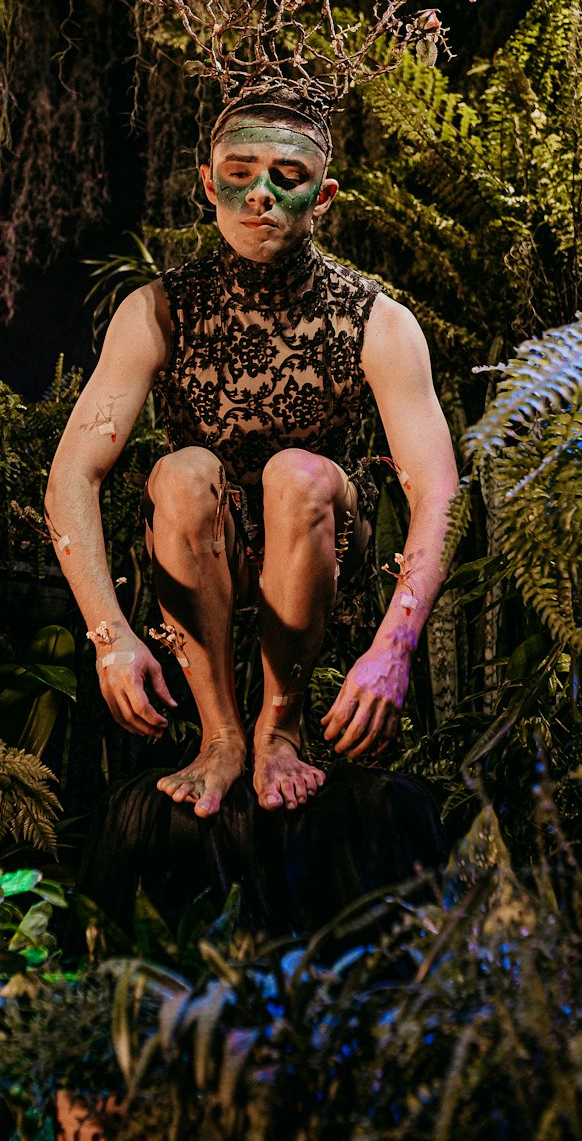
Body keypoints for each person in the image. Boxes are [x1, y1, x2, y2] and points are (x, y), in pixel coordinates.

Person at [45, 85, 459, 820]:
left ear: (323, 195)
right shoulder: (157, 310)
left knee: (294, 474)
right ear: (208, 182)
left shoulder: (379, 322)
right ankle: (222, 735)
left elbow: (438, 491)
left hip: (323, 539)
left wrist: (395, 646)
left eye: (287, 178)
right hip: (201, 542)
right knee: (181, 472)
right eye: (239, 173)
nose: (260, 195)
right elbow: (73, 473)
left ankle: (280, 730)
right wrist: (109, 635)